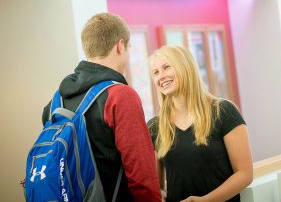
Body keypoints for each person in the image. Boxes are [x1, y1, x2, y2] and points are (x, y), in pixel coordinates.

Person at [41, 13, 161, 201]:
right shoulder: (120, 96)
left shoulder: (56, 100)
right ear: (120, 46)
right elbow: (142, 176)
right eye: (129, 48)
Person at [147, 45, 253, 202]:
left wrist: (206, 201)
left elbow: (245, 174)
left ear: (185, 67)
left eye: (166, 67)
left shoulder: (223, 111)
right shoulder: (155, 126)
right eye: (155, 72)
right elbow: (157, 186)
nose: (161, 76)